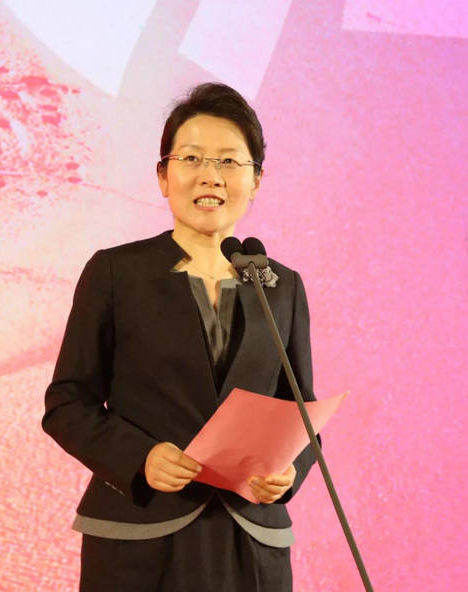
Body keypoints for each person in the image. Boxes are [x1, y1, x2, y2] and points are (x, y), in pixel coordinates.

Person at [42, 82, 317, 591]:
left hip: (251, 544)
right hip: (139, 536)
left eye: (229, 161)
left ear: (256, 180)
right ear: (163, 176)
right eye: (191, 158)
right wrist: (139, 457)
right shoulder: (115, 273)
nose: (210, 175)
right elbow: (67, 403)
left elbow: (300, 412)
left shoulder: (282, 286)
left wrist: (287, 473)